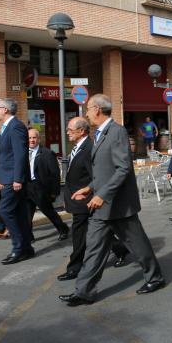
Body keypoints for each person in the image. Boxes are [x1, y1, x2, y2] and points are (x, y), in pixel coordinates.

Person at [60, 94, 165, 307]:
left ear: (97, 109)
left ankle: (155, 278)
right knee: (94, 248)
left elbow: (122, 169)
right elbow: (102, 171)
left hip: (118, 204)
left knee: (138, 244)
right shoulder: (99, 134)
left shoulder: (116, 132)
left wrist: (101, 194)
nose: (86, 112)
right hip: (100, 204)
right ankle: (84, 291)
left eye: (88, 108)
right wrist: (89, 189)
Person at [58, 117, 129, 282]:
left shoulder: (90, 148)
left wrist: (93, 195)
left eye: (70, 129)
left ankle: (74, 267)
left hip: (86, 201)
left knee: (79, 235)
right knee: (98, 232)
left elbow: (97, 177)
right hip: (77, 199)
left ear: (81, 131)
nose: (67, 132)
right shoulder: (78, 147)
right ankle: (121, 248)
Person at [0, 99, 34, 265]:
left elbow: (20, 155)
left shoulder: (15, 126)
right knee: (18, 213)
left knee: (5, 211)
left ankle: (18, 248)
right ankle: (27, 249)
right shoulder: (6, 127)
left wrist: (17, 178)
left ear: (6, 110)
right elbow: (5, 156)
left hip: (13, 179)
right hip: (7, 175)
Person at [26, 128, 70, 242]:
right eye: (29, 138)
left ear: (38, 139)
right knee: (26, 213)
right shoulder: (23, 152)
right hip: (27, 186)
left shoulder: (47, 153)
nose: (31, 140)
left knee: (48, 211)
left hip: (40, 187)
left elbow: (54, 174)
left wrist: (54, 192)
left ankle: (63, 229)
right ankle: (29, 236)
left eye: (34, 138)